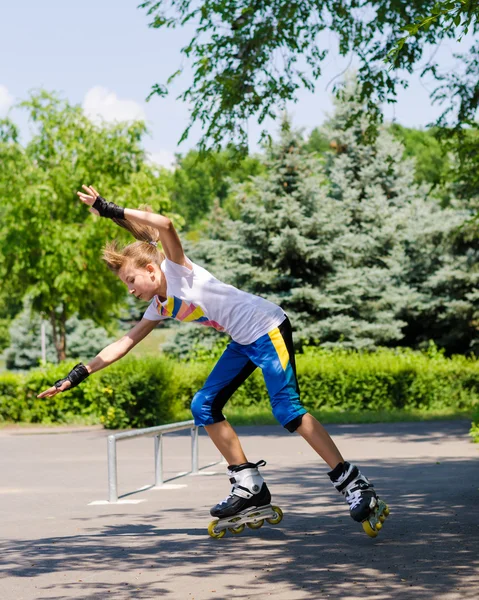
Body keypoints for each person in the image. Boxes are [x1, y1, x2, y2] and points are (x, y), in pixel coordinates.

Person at [38, 185, 387, 537]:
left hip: (268, 329)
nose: (130, 289)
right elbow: (123, 343)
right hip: (242, 341)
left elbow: (166, 223)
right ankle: (249, 485)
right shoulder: (159, 306)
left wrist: (110, 209)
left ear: (150, 269)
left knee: (287, 411)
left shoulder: (177, 270)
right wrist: (77, 374)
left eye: (131, 280)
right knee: (203, 405)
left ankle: (354, 483)